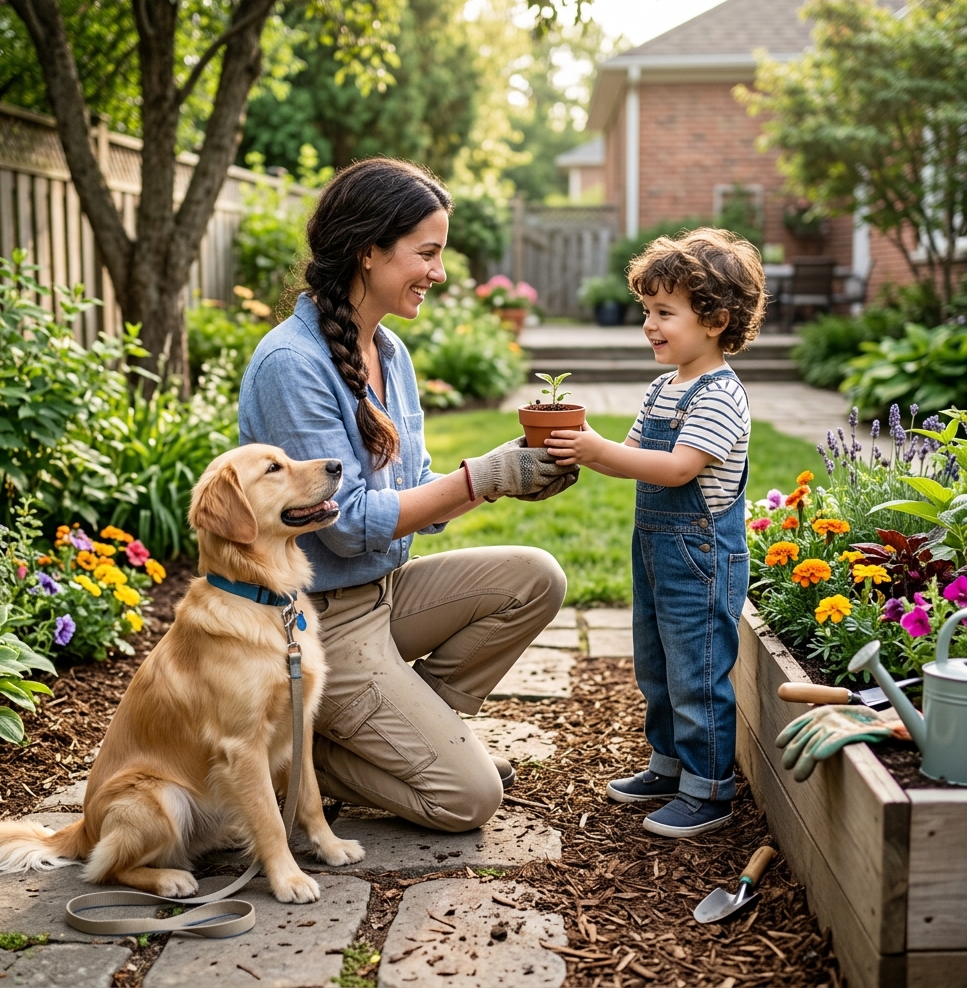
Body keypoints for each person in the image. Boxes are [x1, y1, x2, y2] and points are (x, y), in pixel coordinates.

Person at [237, 157, 577, 834]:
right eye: (427, 253)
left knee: (536, 578)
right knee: (469, 799)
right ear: (369, 252)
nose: (440, 273)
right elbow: (344, 524)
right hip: (317, 623)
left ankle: (407, 733)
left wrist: (503, 487)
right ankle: (303, 758)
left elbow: (412, 492)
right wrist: (482, 476)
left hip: (383, 594)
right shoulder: (291, 365)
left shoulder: (388, 352)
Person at [545, 229, 766, 837]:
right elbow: (634, 452)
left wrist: (597, 451)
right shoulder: (663, 388)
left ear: (716, 320)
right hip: (656, 550)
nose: (649, 324)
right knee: (658, 665)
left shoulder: (721, 395)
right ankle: (669, 767)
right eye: (647, 311)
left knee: (697, 670)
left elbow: (676, 469)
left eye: (664, 313)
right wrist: (584, 445)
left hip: (701, 555)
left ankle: (709, 790)